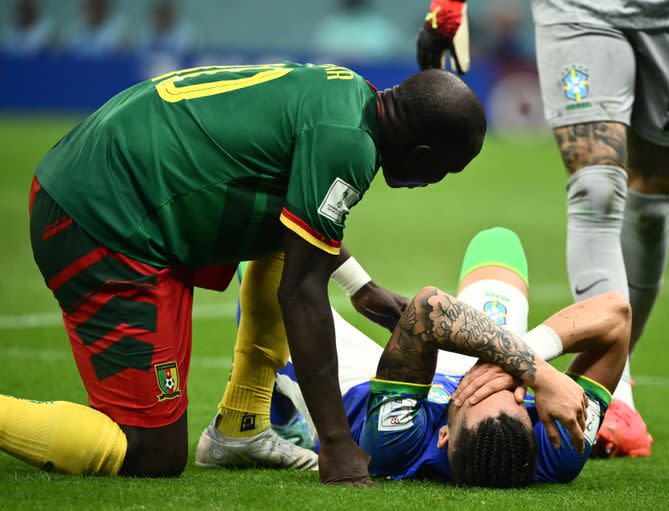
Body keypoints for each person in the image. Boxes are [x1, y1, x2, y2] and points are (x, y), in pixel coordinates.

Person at [0, 63, 486, 485]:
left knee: (282, 239)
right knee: (150, 452)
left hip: (106, 182)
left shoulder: (347, 94)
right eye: (444, 171)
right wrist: (337, 443)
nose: (432, 182)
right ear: (422, 155)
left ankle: (242, 425)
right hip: (100, 216)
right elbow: (301, 294)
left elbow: (298, 221)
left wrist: (361, 287)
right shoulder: (348, 144)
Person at [415, 0, 669, 457]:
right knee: (597, 191)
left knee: (651, 206)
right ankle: (617, 401)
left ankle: (611, 368)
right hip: (583, 8)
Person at [220, 227, 629, 486]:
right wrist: (530, 369)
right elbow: (616, 315)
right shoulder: (560, 445)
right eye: (511, 390)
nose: (496, 380)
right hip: (461, 359)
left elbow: (427, 308)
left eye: (478, 389)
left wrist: (523, 369)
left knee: (268, 266)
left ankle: (280, 413)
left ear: (444, 436)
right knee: (498, 241)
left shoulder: (396, 444)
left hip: (357, 383)